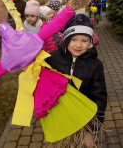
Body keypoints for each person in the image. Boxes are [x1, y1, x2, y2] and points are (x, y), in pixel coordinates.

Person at [46, 14, 107, 148]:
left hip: (83, 120)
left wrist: (91, 131)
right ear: (65, 38)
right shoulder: (52, 58)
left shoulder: (95, 65)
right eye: (73, 39)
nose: (78, 45)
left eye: (84, 40)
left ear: (91, 41)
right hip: (60, 118)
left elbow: (99, 99)